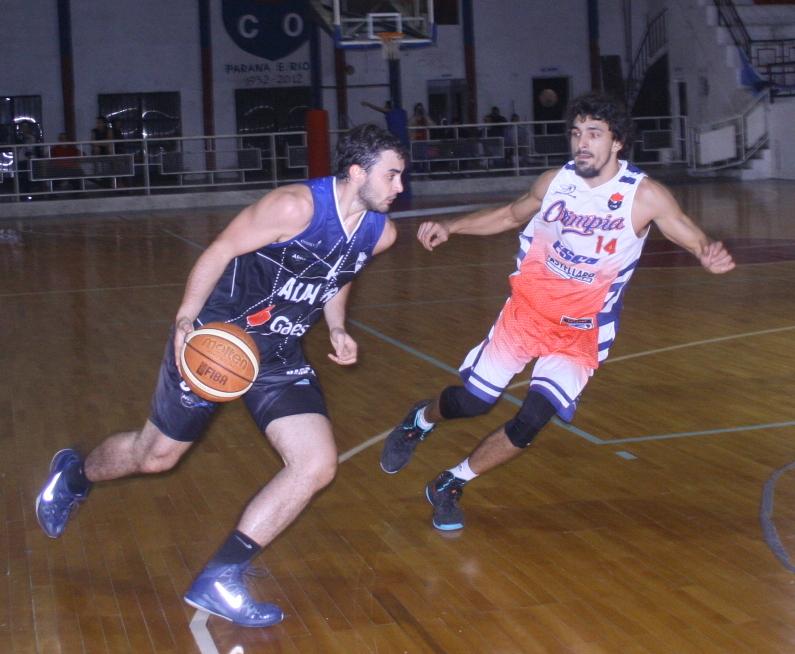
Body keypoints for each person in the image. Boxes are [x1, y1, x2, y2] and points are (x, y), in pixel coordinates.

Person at [35, 124, 406, 627]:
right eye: (392, 175)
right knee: (155, 457)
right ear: (357, 172)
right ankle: (74, 476)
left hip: (278, 353)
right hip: (218, 341)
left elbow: (339, 275)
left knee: (316, 464)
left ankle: (221, 576)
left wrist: (337, 326)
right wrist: (186, 319)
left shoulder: (380, 233)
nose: (400, 186)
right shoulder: (293, 207)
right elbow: (220, 250)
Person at [379, 92, 735, 532]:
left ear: (617, 142)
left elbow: (688, 233)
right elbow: (510, 216)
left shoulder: (644, 196)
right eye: (576, 133)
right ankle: (420, 420)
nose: (581, 142)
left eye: (594, 134)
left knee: (531, 422)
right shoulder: (555, 182)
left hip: (581, 332)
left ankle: (451, 482)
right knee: (472, 402)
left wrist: (706, 251)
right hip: (527, 313)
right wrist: (452, 227)